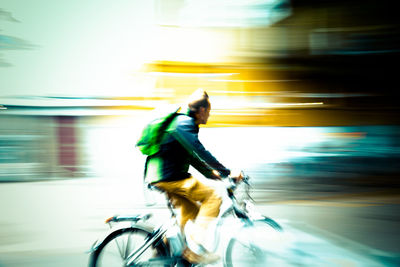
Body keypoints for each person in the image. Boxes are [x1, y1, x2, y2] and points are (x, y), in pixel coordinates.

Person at [143, 89, 242, 264]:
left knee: (190, 212)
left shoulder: (183, 124)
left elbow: (191, 156)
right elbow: (198, 149)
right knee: (213, 198)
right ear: (202, 110)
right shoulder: (184, 124)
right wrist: (228, 172)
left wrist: (212, 174)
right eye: (209, 112)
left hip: (164, 177)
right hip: (168, 177)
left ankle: (162, 251)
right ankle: (193, 250)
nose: (209, 116)